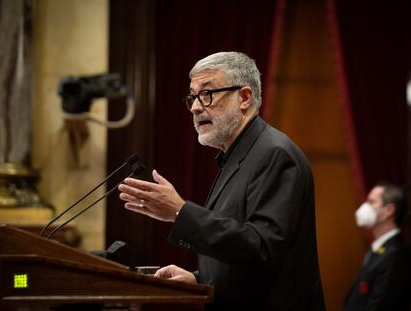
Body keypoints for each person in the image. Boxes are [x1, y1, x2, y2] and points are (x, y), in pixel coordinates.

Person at [118, 51, 326, 310]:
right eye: (193, 96)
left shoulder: (274, 154)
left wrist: (180, 212)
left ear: (244, 97)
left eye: (207, 94)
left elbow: (261, 248)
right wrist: (199, 279)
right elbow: (241, 256)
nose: (195, 106)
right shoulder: (235, 155)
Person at [344, 182, 411, 310]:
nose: (365, 207)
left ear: (389, 211)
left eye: (371, 202)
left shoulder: (394, 255)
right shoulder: (380, 248)